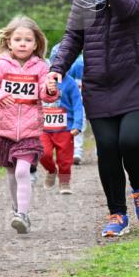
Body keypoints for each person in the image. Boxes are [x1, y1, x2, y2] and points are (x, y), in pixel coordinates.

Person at [48, 0, 139, 238]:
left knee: (132, 141)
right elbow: (74, 34)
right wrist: (57, 67)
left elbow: (128, 10)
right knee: (108, 148)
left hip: (136, 77)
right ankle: (117, 213)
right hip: (99, 82)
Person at [0, 16, 58, 234]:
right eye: (18, 39)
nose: (22, 44)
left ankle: (23, 214)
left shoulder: (41, 67)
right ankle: (17, 209)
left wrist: (50, 89)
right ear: (9, 42)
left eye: (27, 40)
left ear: (36, 44)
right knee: (11, 174)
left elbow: (47, 95)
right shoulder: (1, 65)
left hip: (30, 129)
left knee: (23, 171)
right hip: (5, 129)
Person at [41, 46, 84, 193]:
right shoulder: (42, 80)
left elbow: (78, 105)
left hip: (65, 129)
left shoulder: (71, 83)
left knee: (65, 159)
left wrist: (77, 124)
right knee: (43, 153)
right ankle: (51, 170)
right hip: (44, 128)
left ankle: (64, 183)